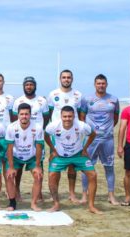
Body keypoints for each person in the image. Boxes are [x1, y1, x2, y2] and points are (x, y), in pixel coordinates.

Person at [45, 106, 101, 214]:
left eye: (70, 116)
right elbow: (46, 136)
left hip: (78, 154)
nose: (67, 119)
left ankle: (91, 206)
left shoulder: (81, 126)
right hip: (60, 156)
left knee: (93, 175)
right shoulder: (53, 126)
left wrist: (85, 149)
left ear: (74, 116)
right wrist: (53, 150)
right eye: (65, 116)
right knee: (52, 175)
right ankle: (56, 204)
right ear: (61, 116)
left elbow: (93, 134)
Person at [80, 74, 120, 205]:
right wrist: (89, 132)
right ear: (95, 84)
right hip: (91, 140)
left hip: (107, 139)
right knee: (87, 166)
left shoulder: (114, 99)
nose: (101, 85)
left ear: (106, 84)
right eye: (98, 83)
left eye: (103, 83)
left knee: (109, 167)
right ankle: (84, 195)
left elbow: (115, 118)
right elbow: (82, 117)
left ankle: (111, 195)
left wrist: (106, 130)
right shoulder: (87, 99)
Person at [47, 69, 84, 203]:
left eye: (68, 77)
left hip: (74, 133)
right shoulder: (53, 94)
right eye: (64, 77)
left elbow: (80, 115)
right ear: (60, 79)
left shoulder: (78, 95)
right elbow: (49, 113)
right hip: (57, 134)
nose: (66, 79)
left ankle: (72, 193)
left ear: (72, 79)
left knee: (72, 165)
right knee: (55, 164)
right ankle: (54, 193)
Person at [12, 76, 49, 202]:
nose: (29, 86)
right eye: (27, 84)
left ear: (35, 86)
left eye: (31, 84)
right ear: (23, 86)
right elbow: (14, 118)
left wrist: (38, 130)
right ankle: (16, 190)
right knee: (19, 167)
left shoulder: (42, 101)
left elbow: (46, 117)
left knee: (39, 165)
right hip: (21, 137)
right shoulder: (18, 101)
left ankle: (38, 193)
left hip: (36, 136)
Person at [6, 103, 44, 211]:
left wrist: (37, 165)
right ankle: (12, 203)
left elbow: (39, 147)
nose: (24, 116)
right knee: (9, 175)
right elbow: (9, 148)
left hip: (31, 156)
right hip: (16, 156)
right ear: (18, 115)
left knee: (38, 175)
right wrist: (11, 167)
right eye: (22, 114)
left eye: (26, 114)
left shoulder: (37, 127)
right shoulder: (11, 127)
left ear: (30, 115)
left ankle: (33, 203)